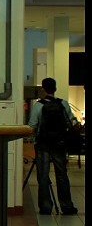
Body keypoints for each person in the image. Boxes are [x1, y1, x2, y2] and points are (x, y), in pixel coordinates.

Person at [27, 77, 79, 215]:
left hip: (42, 144)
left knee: (43, 176)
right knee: (62, 174)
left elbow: (32, 125)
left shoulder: (38, 106)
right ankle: (67, 206)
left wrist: (33, 139)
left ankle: (45, 207)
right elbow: (71, 122)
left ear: (43, 89)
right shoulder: (63, 104)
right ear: (55, 88)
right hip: (59, 144)